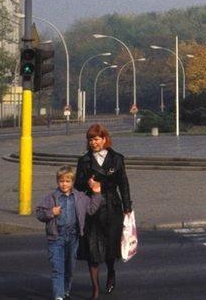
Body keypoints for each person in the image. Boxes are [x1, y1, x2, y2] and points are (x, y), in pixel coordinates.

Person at [76, 124, 132, 299]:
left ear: (105, 139)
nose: (94, 143)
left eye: (97, 139)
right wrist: (89, 184)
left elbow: (123, 183)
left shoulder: (116, 159)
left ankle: (111, 271)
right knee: (92, 249)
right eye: (91, 139)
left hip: (112, 207)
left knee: (110, 247)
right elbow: (77, 184)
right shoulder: (84, 160)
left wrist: (127, 208)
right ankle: (95, 288)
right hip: (92, 208)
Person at [35, 166, 102, 300]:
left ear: (72, 182)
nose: (64, 184)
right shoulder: (51, 197)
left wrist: (97, 193)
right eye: (61, 181)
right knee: (57, 268)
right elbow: (39, 213)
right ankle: (59, 296)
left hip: (73, 237)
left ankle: (65, 291)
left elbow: (91, 209)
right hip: (56, 237)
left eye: (67, 181)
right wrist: (51, 213)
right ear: (57, 182)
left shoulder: (79, 197)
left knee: (70, 268)